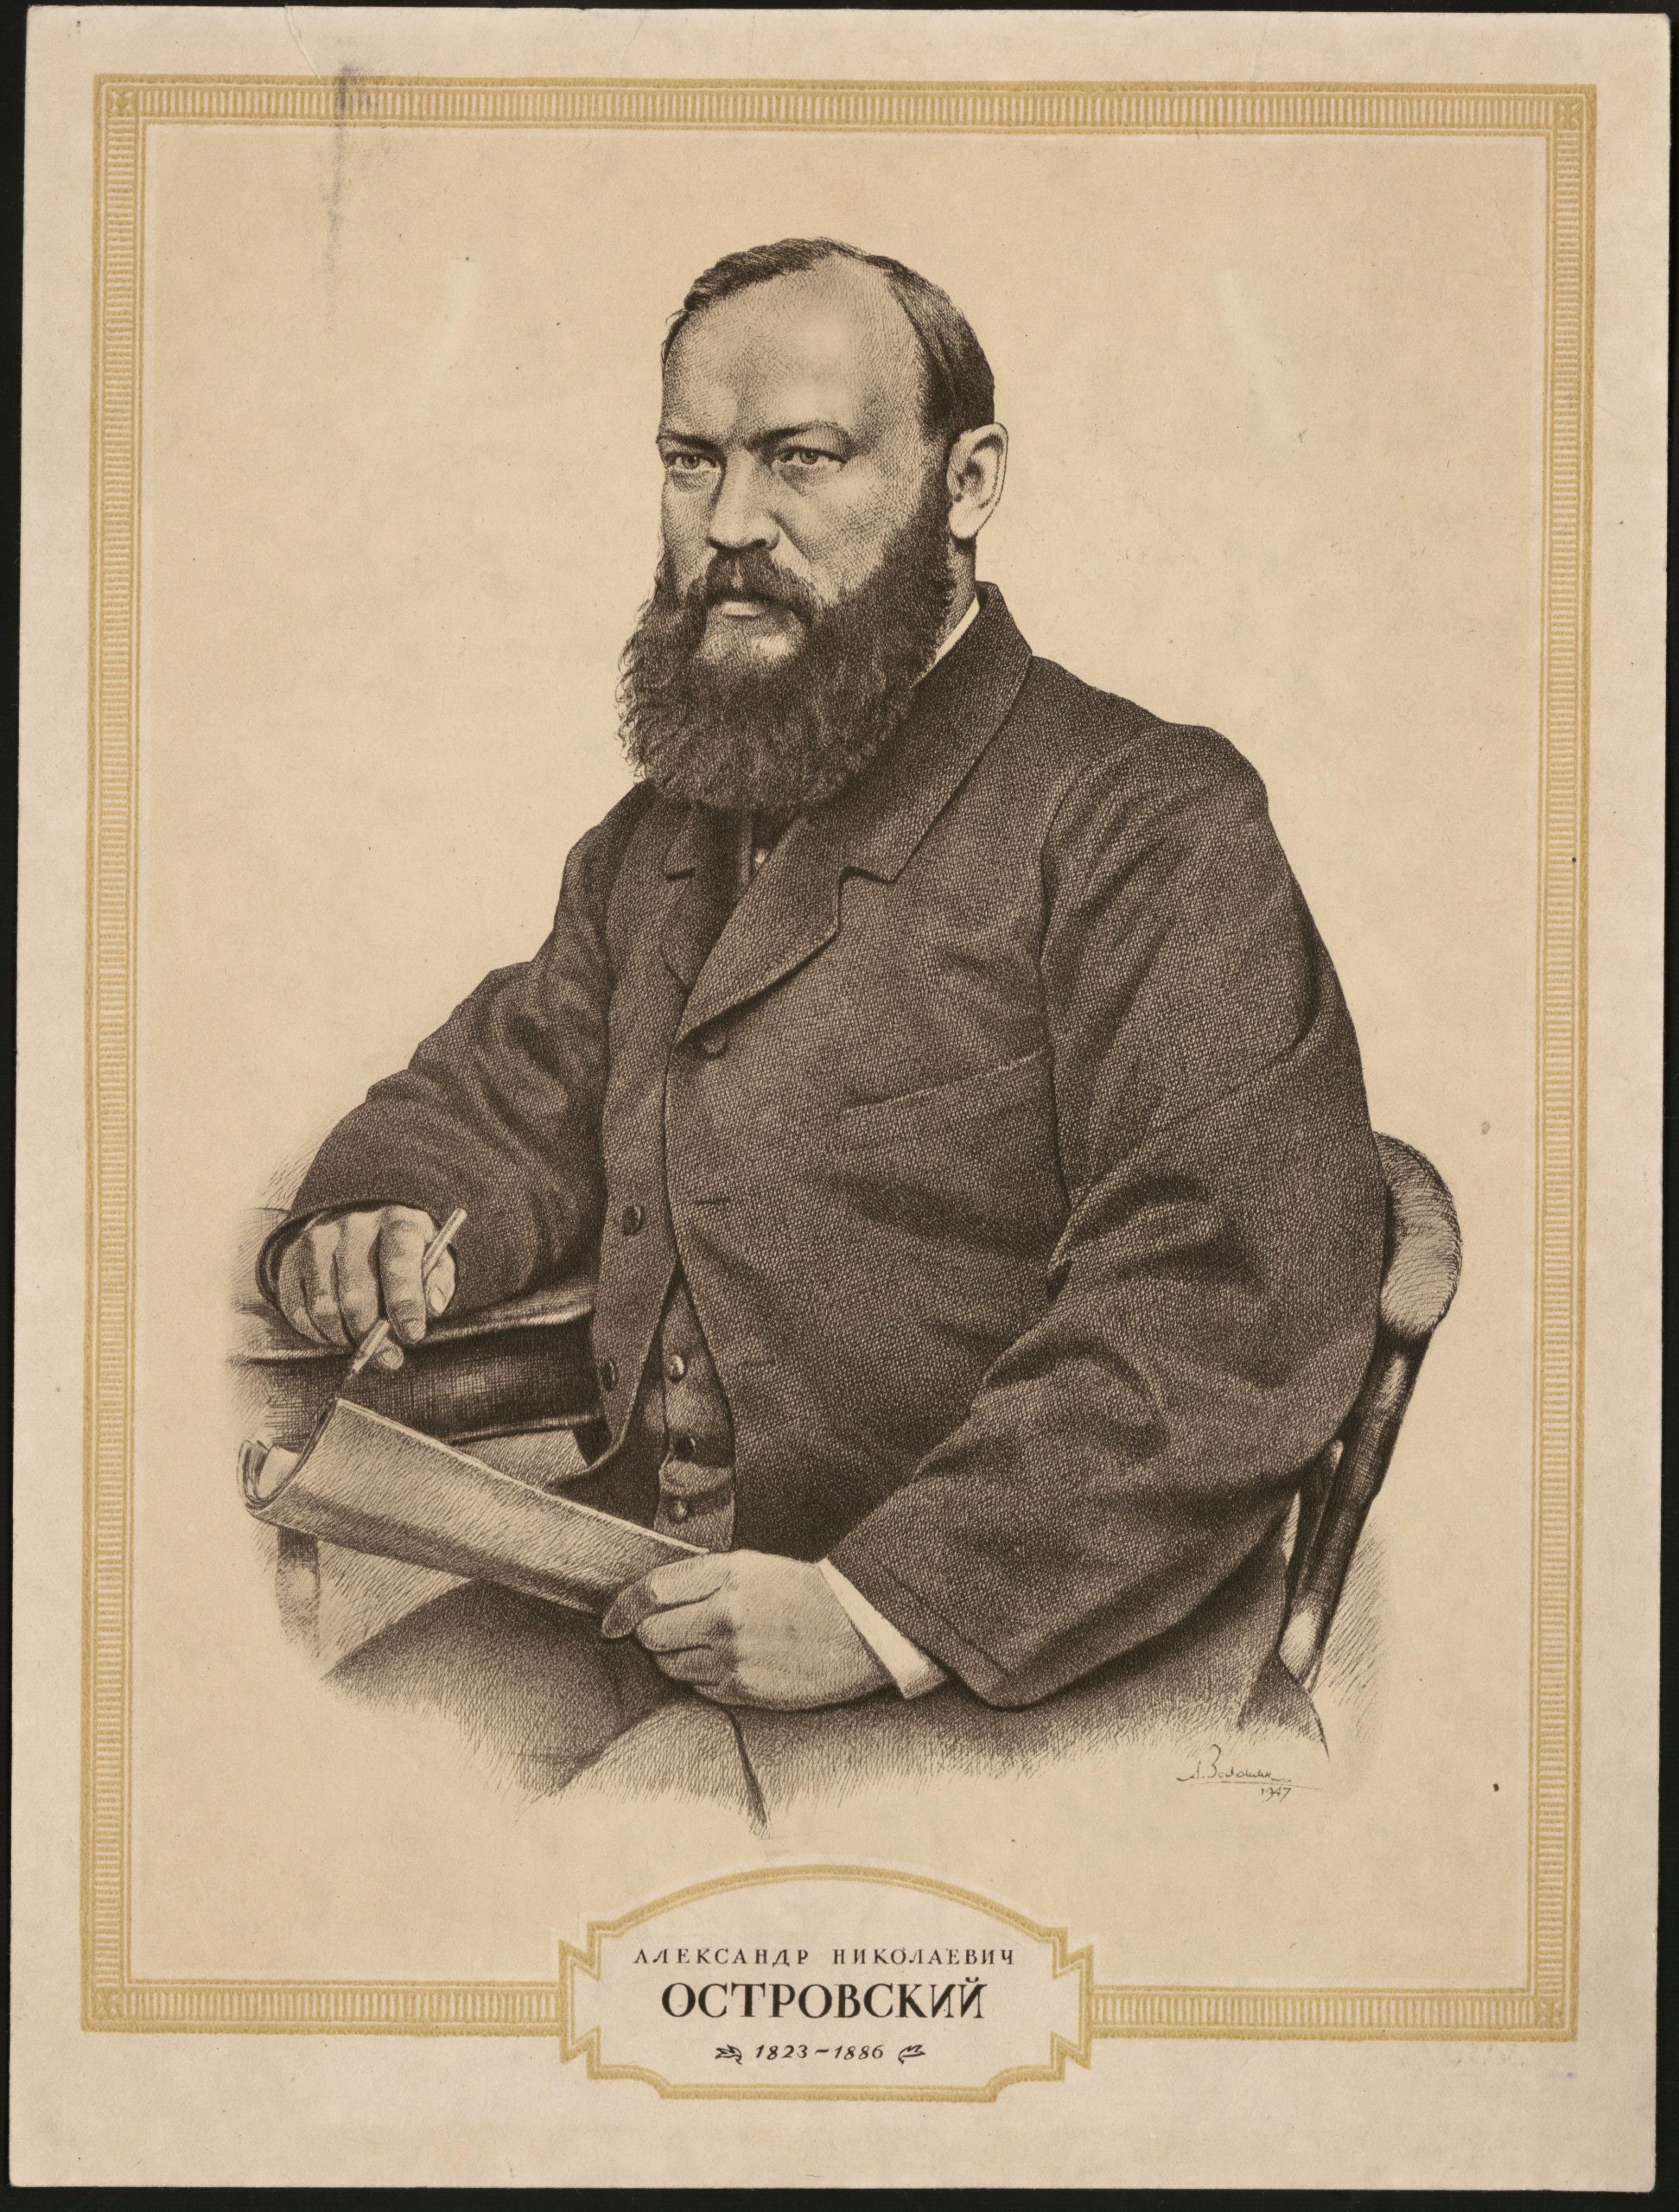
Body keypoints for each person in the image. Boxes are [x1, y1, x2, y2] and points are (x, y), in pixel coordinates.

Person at [258, 238, 1387, 1806]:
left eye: (802, 459)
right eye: (692, 461)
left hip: (1027, 1646)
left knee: (575, 1882)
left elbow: (1219, 1300)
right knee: (318, 1797)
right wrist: (380, 1213)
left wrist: (878, 1613)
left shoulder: (1146, 819)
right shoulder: (660, 840)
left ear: (967, 482)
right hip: (657, 1596)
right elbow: (517, 1084)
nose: (731, 524)